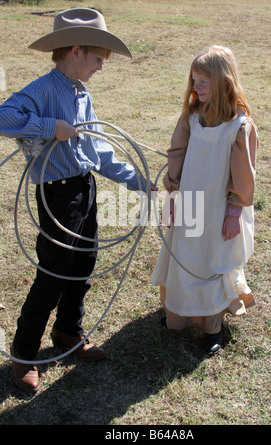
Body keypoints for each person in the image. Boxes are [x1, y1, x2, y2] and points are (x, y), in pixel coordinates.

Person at [0, 8, 155, 392]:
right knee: (54, 272)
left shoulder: (81, 94)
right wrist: (52, 127)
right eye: (98, 58)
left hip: (83, 186)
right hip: (56, 192)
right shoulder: (42, 89)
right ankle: (24, 352)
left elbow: (98, 151)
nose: (101, 67)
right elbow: (3, 117)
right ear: (75, 51)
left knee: (84, 263)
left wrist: (138, 181)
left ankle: (68, 331)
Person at [151, 45, 258, 354]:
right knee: (185, 256)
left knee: (213, 260)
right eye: (193, 80)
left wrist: (234, 212)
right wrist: (172, 195)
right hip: (189, 203)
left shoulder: (240, 126)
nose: (195, 88)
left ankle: (212, 327)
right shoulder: (193, 117)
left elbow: (243, 175)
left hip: (220, 209)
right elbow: (178, 154)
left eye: (203, 81)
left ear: (224, 81)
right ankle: (180, 316)